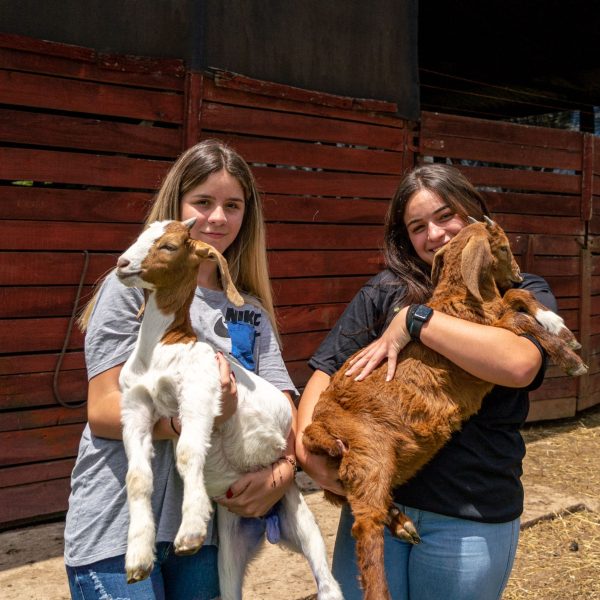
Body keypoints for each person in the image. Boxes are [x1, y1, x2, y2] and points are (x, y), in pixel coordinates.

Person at [296, 163, 557, 600]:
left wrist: (417, 321)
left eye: (445, 216)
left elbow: (519, 365)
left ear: (474, 213)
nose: (434, 234)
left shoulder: (520, 288)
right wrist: (310, 456)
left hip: (469, 514)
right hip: (382, 501)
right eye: (417, 227)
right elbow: (325, 371)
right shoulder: (385, 290)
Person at [64, 139, 298, 600]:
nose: (218, 218)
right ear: (179, 205)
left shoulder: (248, 311)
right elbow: (104, 410)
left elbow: (282, 408)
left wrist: (283, 474)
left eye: (233, 205)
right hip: (117, 526)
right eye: (203, 202)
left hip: (205, 533)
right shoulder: (133, 285)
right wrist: (192, 418)